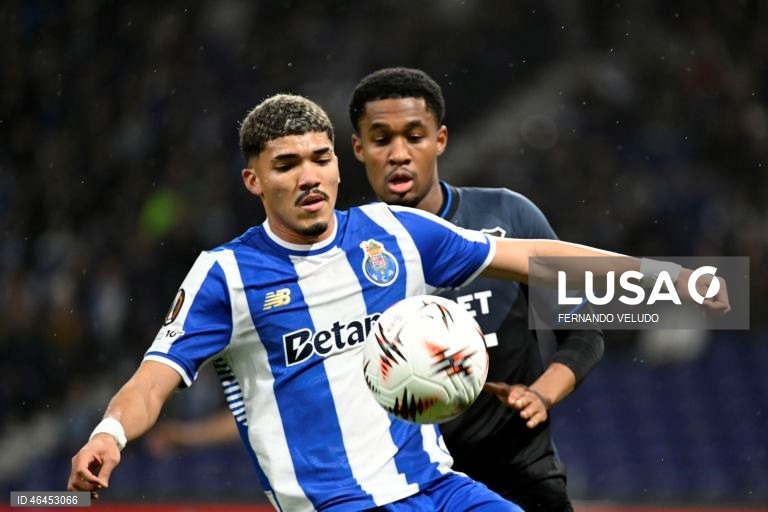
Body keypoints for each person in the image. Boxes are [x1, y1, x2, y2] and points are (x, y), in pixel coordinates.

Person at [67, 94, 729, 511]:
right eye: (286, 164)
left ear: (337, 164)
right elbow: (153, 379)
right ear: (253, 180)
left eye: (319, 159)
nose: (308, 177)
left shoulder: (392, 232)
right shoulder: (225, 276)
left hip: (439, 489)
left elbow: (530, 259)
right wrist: (109, 435)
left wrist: (671, 283)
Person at [347, 67, 604, 511]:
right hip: (405, 485)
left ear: (440, 140)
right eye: (381, 138)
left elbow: (583, 330)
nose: (398, 154)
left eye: (415, 135)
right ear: (358, 148)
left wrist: (540, 394)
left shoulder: (509, 216)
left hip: (517, 474)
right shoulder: (346, 251)